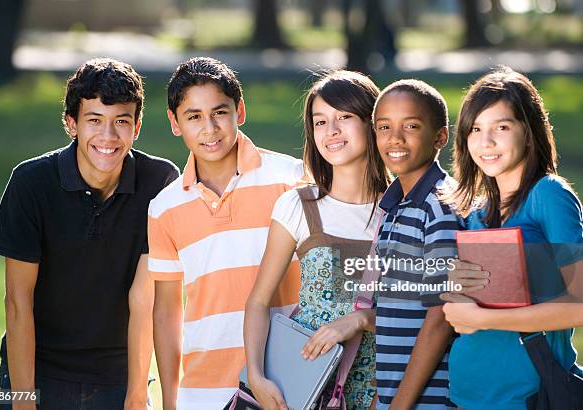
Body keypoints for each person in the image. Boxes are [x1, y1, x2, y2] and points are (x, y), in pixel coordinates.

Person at [0, 58, 179, 410]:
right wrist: (23, 401)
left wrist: (138, 395)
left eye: (121, 122)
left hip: (117, 377)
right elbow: (18, 302)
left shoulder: (159, 182)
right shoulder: (31, 183)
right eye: (94, 121)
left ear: (137, 126)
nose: (108, 137)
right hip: (38, 373)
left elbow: (145, 301)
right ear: (71, 123)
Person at [147, 57, 304, 410]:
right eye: (194, 116)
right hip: (202, 393)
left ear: (240, 111)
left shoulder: (291, 179)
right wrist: (171, 402)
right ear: (175, 123)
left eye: (220, 112)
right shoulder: (164, 207)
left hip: (286, 385)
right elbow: (166, 313)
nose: (209, 128)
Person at [244, 70, 390, 410]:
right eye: (320, 122)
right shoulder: (298, 205)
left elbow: (424, 316)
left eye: (344, 118)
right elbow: (258, 302)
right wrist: (256, 376)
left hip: (383, 392)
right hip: (306, 389)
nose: (332, 131)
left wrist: (363, 320)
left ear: (373, 123)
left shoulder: (404, 210)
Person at [441, 66, 583, 410]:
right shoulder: (477, 209)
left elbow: (579, 305)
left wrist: (484, 319)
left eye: (501, 127)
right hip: (466, 392)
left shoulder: (548, 195)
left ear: (529, 131)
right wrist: (455, 289)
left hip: (530, 395)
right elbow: (472, 303)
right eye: (475, 129)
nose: (485, 142)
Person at [372, 79, 460, 409]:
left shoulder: (440, 206)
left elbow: (440, 318)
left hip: (429, 400)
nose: (395, 138)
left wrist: (399, 405)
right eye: (384, 127)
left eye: (411, 125)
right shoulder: (395, 206)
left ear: (440, 136)